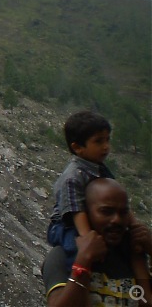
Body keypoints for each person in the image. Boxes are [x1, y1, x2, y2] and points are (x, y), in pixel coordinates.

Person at [42, 177, 152, 306]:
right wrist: (83, 263)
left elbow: (146, 301)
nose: (116, 220)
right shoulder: (61, 256)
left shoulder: (132, 256)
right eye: (106, 212)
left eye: (123, 213)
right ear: (86, 214)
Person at [47, 110, 115, 267]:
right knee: (76, 248)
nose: (106, 147)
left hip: (92, 220)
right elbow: (76, 212)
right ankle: (78, 276)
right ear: (77, 147)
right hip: (66, 226)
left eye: (107, 140)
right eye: (98, 141)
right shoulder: (73, 177)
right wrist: (87, 238)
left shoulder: (100, 169)